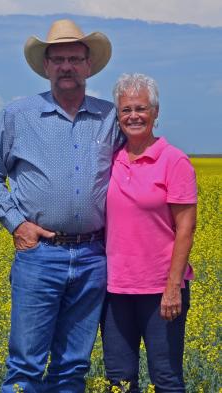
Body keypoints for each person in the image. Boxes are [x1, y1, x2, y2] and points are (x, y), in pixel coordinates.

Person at [0, 19, 121, 393]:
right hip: (40, 256)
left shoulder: (110, 118)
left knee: (73, 367)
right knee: (25, 366)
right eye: (58, 59)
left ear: (89, 66)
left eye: (74, 58)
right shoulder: (18, 115)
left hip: (92, 256)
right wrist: (16, 224)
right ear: (46, 66)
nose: (66, 66)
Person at [101, 73, 197, 393]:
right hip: (115, 290)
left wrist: (172, 287)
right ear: (118, 115)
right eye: (126, 110)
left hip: (161, 291)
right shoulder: (110, 159)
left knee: (166, 377)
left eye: (141, 108)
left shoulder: (174, 161)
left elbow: (186, 227)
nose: (133, 116)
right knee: (119, 379)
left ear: (156, 112)